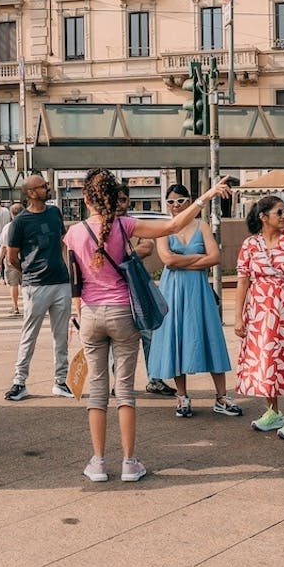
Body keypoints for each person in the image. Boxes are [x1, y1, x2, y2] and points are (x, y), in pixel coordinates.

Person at [64, 168, 231, 484]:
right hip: (123, 314)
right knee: (125, 389)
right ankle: (129, 463)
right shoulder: (125, 226)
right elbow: (173, 224)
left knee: (97, 391)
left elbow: (75, 280)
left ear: (86, 199)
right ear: (115, 199)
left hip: (90, 316)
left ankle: (98, 463)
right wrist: (206, 197)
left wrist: (78, 313)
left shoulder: (72, 233)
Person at [147, 184, 239, 419]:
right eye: (171, 202)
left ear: (190, 202)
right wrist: (199, 258)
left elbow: (215, 258)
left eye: (181, 200)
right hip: (173, 291)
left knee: (210, 336)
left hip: (198, 290)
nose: (176, 205)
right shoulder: (163, 229)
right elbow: (168, 260)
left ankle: (221, 396)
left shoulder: (202, 226)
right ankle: (182, 396)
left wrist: (183, 260)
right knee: (176, 338)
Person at [234, 195, 284, 440]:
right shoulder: (250, 245)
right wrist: (238, 317)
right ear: (263, 217)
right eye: (279, 212)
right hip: (260, 310)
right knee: (266, 358)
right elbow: (242, 281)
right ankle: (273, 411)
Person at [4, 176, 72, 400]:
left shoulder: (55, 213)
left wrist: (66, 270)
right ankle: (19, 381)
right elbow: (12, 258)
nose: (48, 188)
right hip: (35, 285)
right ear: (31, 193)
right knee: (29, 335)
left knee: (61, 336)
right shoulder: (20, 222)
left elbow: (63, 242)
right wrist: (29, 273)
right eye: (43, 186)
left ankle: (61, 381)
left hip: (61, 281)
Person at [116, 185, 170, 396]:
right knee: (118, 343)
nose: (119, 204)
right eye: (116, 200)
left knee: (150, 336)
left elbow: (147, 248)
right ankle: (118, 384)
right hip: (117, 294)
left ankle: (154, 380)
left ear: (128, 201)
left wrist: (121, 256)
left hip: (139, 292)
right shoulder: (105, 226)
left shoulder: (133, 225)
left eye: (123, 199)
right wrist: (128, 255)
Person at [0, 202, 24, 317]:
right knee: (26, 283)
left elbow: (3, 246)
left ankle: (15, 306)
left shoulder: (7, 227)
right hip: (26, 257)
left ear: (12, 214)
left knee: (13, 284)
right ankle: (29, 305)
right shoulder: (28, 226)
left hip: (11, 258)